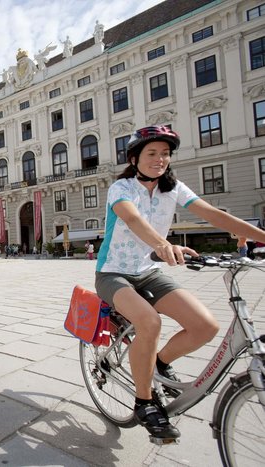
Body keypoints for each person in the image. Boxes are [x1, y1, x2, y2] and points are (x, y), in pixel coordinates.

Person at [95, 125, 265, 442]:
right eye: (152, 153)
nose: (160, 159)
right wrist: (162, 244)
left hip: (148, 271)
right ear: (134, 158)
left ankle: (157, 363)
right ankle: (145, 401)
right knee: (149, 321)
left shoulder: (173, 188)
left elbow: (213, 213)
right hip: (113, 273)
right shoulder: (122, 188)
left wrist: (260, 237)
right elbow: (132, 220)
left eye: (165, 153)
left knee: (205, 325)